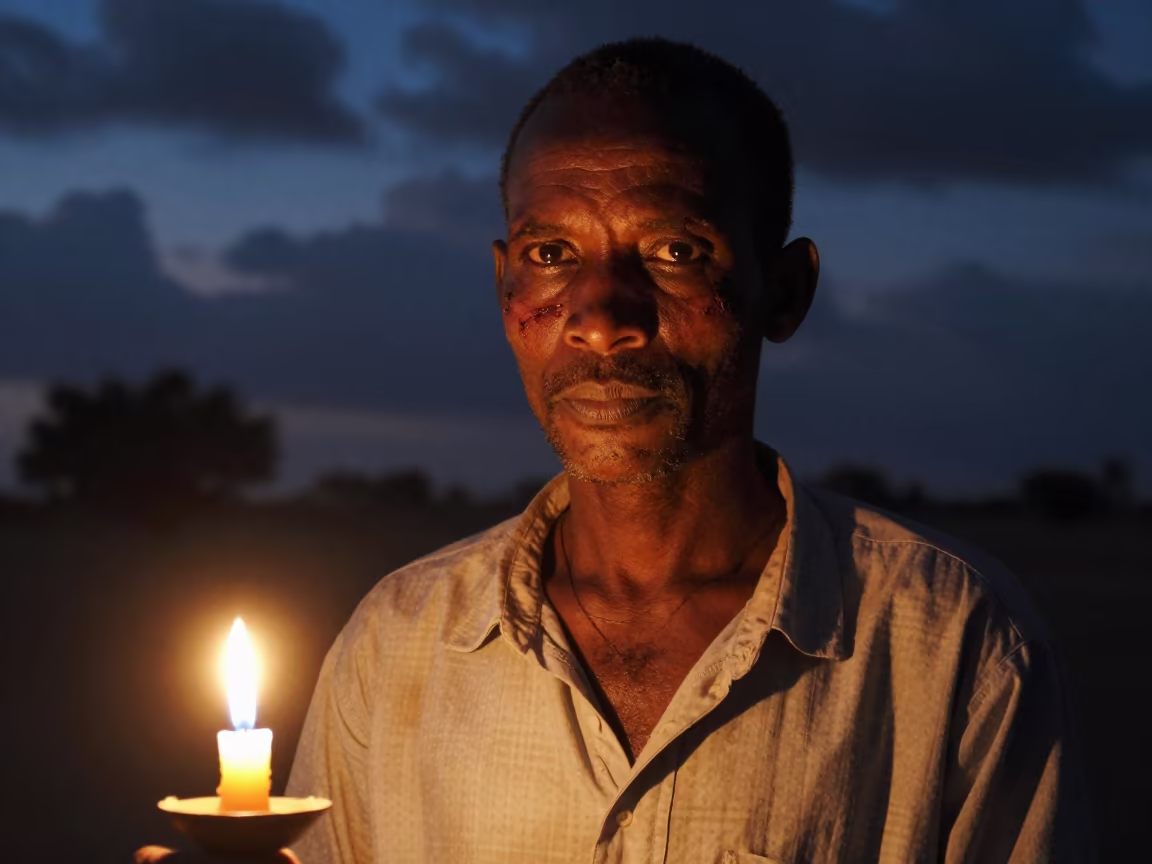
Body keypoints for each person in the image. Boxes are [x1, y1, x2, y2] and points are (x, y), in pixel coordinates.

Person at [142, 36, 1095, 864]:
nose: (602, 319)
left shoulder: (954, 646)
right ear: (504, 285)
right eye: (552, 255)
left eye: (676, 252)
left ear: (786, 291)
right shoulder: (397, 645)